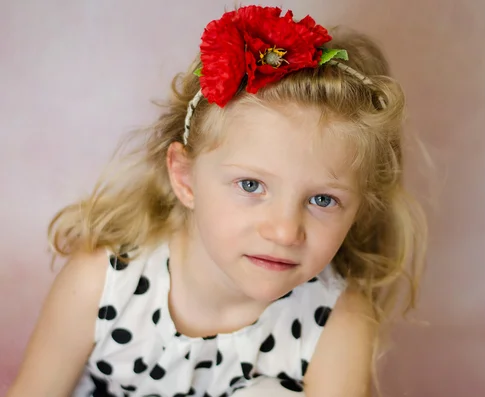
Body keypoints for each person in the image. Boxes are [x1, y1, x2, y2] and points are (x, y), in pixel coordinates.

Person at [7, 5, 427, 397]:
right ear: (186, 177)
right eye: (250, 186)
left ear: (358, 209)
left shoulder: (337, 324)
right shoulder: (102, 284)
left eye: (322, 198)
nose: (283, 230)